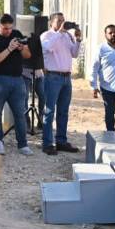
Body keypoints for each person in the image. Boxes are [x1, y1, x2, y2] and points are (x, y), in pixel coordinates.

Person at [0, 14, 34, 155]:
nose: (9, 31)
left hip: (17, 79)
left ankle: (23, 144)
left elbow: (28, 55)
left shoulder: (16, 34)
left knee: (20, 112)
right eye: (5, 29)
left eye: (10, 28)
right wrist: (9, 49)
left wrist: (21, 48)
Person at [40, 13, 82, 155]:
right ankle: (47, 143)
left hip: (66, 77)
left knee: (63, 111)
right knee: (49, 111)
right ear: (52, 22)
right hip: (52, 76)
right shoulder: (47, 35)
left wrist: (78, 40)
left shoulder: (67, 36)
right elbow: (48, 48)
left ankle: (61, 141)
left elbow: (74, 54)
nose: (62, 24)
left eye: (64, 21)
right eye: (59, 21)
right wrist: (59, 32)